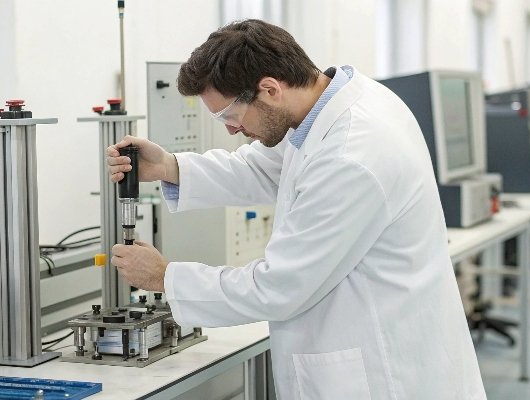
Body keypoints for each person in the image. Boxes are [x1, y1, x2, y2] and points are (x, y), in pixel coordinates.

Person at [107, 19, 486, 400]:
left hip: (383, 373)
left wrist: (166, 277)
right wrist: (170, 166)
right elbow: (264, 168)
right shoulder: (331, 109)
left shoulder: (352, 153)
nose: (231, 130)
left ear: (269, 89)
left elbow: (278, 287)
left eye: (229, 116)